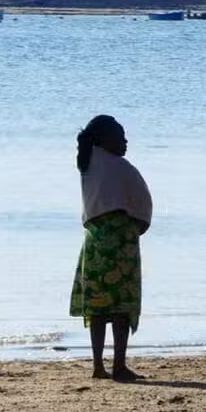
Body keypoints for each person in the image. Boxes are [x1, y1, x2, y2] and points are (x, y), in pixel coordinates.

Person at [70, 114, 152, 382]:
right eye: (120, 137)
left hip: (94, 239)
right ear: (104, 139)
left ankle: (98, 365)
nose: (125, 142)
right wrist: (139, 223)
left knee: (98, 305)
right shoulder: (116, 165)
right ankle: (119, 365)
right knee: (120, 306)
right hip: (119, 239)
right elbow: (138, 200)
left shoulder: (89, 163)